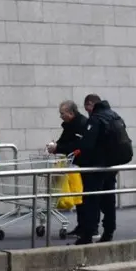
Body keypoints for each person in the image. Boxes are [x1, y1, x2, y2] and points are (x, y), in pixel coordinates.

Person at [75, 94, 127, 245]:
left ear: (91, 104)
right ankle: (109, 231)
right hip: (111, 165)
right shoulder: (115, 116)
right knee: (109, 200)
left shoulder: (96, 119)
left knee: (91, 200)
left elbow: (87, 145)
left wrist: (81, 159)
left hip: (96, 167)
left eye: (87, 108)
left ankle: (88, 234)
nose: (87, 112)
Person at [47, 100, 88, 237]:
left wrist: (58, 148)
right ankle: (82, 226)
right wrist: (55, 145)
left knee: (83, 197)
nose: (60, 116)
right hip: (74, 165)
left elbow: (77, 146)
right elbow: (64, 141)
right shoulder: (70, 125)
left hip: (81, 164)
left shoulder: (81, 124)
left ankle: (88, 227)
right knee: (79, 197)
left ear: (71, 113)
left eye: (62, 113)